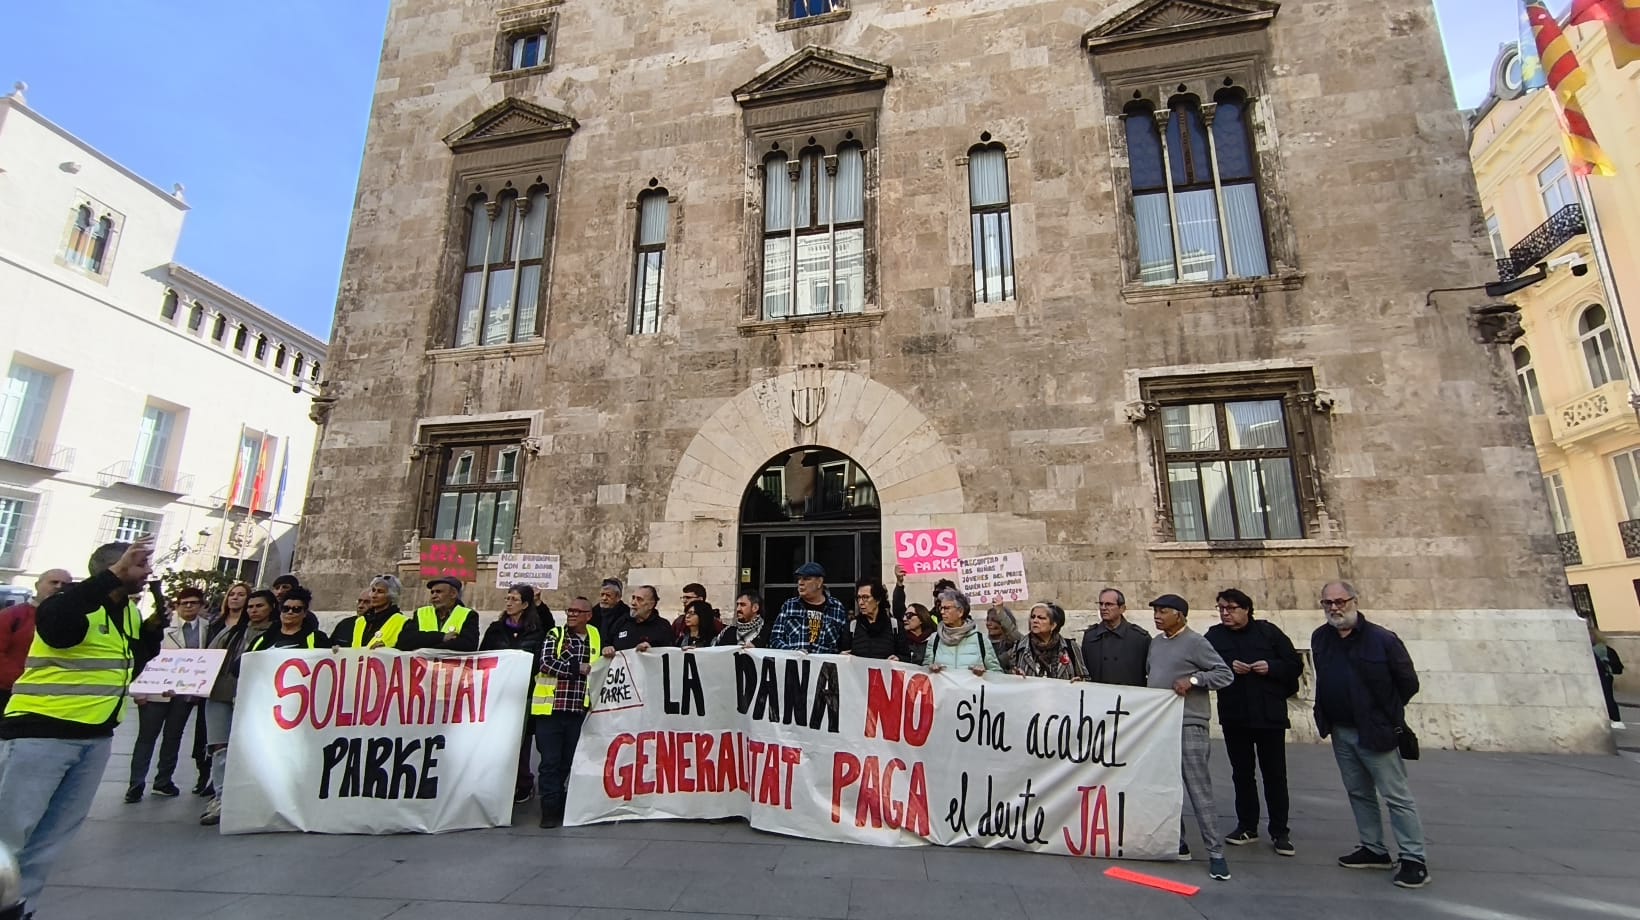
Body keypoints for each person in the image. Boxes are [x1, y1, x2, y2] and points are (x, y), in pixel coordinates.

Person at [0, 539, 164, 916]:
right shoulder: (66, 602)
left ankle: (20, 908)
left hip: (93, 737)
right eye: (139, 565)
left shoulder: (128, 613)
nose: (147, 573)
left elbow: (124, 670)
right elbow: (58, 630)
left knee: (50, 840)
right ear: (115, 567)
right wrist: (109, 578)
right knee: (9, 836)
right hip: (42, 734)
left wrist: (152, 634)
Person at [1312, 581, 1429, 889]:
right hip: (1340, 728)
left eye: (1340, 601)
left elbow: (1408, 682)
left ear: (1354, 601)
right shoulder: (1321, 638)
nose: (1334, 608)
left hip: (1375, 729)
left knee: (1395, 795)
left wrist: (1383, 712)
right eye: (1328, 603)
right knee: (1358, 791)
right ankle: (1373, 848)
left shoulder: (1382, 639)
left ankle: (1413, 858)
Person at [1205, 588, 1303, 857]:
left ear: (1246, 610)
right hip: (1235, 714)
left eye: (1232, 608)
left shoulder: (1268, 633)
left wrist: (1270, 667)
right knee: (1242, 773)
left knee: (1274, 775)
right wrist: (1227, 665)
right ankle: (1247, 825)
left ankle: (1280, 831)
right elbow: (1202, 664)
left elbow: (1293, 665)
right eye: (1222, 608)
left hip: (1268, 714)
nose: (1226, 613)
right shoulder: (1214, 636)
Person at [1145, 593, 1234, 881]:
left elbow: (1224, 674)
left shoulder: (1196, 642)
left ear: (1180, 615)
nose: (1157, 616)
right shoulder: (1156, 644)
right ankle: (1178, 841)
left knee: (1198, 788)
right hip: (1161, 725)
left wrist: (1194, 680)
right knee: (1166, 788)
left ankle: (1215, 853)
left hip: (1189, 723)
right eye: (1156, 611)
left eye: (1163, 611)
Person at [126, 585, 213, 803]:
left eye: (194, 603)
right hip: (155, 690)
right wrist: (139, 691)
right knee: (146, 738)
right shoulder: (160, 625)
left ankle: (163, 781)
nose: (189, 607)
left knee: (173, 738)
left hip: (185, 693)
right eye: (184, 603)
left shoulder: (207, 628)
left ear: (202, 605)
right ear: (177, 606)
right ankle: (136, 784)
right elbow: (142, 656)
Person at [200, 588, 277, 826]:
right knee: (220, 747)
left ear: (271, 608)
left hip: (255, 698)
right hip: (221, 694)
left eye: (259, 606)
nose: (254, 611)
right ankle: (221, 797)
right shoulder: (232, 633)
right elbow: (207, 659)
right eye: (251, 607)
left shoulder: (275, 634)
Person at [532, 596, 600, 828]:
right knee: (549, 762)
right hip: (551, 708)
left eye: (576, 611)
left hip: (577, 710)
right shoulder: (556, 635)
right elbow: (546, 663)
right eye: (569, 610)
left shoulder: (595, 637)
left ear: (588, 615)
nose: (571, 614)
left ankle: (559, 801)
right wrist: (576, 668)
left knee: (567, 762)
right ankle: (549, 810)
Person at [482, 584, 550, 804]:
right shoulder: (496, 629)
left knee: (519, 742)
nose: (509, 602)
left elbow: (544, 645)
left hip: (524, 692)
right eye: (507, 598)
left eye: (514, 599)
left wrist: (541, 604)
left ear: (525, 604)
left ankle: (522, 783)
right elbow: (484, 656)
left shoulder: (536, 631)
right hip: (497, 692)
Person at [0, 569, 72, 713]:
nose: (58, 587)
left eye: (64, 584)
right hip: (9, 693)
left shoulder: (73, 621)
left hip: (50, 697)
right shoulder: (12, 615)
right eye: (53, 582)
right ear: (37, 585)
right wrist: (22, 681)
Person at [770, 562, 851, 654]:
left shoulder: (837, 607)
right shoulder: (789, 605)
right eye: (799, 579)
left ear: (819, 582)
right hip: (794, 666)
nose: (800, 583)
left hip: (825, 667)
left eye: (806, 579)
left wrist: (841, 656)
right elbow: (775, 639)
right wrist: (794, 653)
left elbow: (844, 643)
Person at [1081, 587, 1151, 687]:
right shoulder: (1090, 636)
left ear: (1122, 608)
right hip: (1098, 697)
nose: (1103, 608)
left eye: (1109, 604)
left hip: (1130, 698)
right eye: (1101, 604)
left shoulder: (1139, 638)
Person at [924, 589, 999, 674]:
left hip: (972, 687)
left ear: (960, 612)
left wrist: (983, 673)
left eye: (946, 608)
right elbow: (924, 674)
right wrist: (931, 670)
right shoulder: (935, 639)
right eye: (941, 608)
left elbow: (997, 675)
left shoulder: (980, 639)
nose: (942, 612)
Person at [397, 577, 479, 652]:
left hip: (452, 666)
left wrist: (425, 646)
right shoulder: (420, 613)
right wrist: (441, 637)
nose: (434, 596)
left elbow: (468, 645)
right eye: (432, 592)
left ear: (453, 594)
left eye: (438, 592)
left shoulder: (468, 615)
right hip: (424, 666)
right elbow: (405, 641)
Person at [332, 575, 409, 648]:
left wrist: (390, 649)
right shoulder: (360, 621)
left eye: (380, 592)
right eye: (373, 590)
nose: (374, 595)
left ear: (391, 596)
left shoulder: (404, 623)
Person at [1014, 602, 1085, 680]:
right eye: (1033, 617)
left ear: (1053, 625)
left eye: (1041, 618)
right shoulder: (1019, 647)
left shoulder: (1070, 647)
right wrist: (1015, 675)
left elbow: (1085, 678)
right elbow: (1007, 675)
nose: (1035, 620)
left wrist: (1079, 681)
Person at [602, 585, 675, 655]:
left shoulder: (662, 626)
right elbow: (607, 643)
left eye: (639, 599)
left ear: (651, 605)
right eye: (633, 598)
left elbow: (669, 654)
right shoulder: (621, 621)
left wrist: (651, 650)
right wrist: (607, 649)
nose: (633, 603)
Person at [248, 587, 329, 650]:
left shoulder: (318, 639)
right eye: (285, 609)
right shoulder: (263, 639)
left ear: (304, 613)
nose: (290, 612)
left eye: (296, 609)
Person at [849, 579, 899, 659]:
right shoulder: (852, 626)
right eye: (858, 598)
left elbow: (905, 656)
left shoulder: (894, 626)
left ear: (877, 600)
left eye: (865, 597)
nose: (860, 602)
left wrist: (898, 659)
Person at [1590, 622, 1625, 729]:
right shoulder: (1604, 649)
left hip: (1603, 676)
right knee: (1606, 697)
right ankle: (1613, 719)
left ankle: (1616, 720)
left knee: (1607, 697)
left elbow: (1618, 667)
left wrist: (1606, 665)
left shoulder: (1601, 650)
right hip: (1605, 676)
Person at [985, 603, 1022, 671]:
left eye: (994, 620)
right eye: (988, 619)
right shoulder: (984, 645)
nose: (989, 623)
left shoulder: (1017, 645)